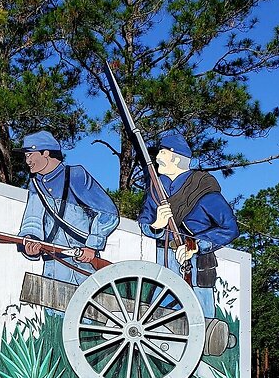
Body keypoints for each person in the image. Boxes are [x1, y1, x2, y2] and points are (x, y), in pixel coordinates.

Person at [137, 132, 239, 320]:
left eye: (163, 153)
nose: (157, 157)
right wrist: (156, 225)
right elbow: (144, 224)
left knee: (202, 322)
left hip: (196, 265)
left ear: (176, 158)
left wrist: (195, 245)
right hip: (163, 265)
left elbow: (229, 228)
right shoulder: (156, 188)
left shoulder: (202, 188)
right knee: (160, 322)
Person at [16, 131, 120, 285]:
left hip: (83, 262)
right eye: (26, 156)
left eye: (30, 154)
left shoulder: (75, 175)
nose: (28, 160)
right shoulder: (36, 185)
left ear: (45, 153)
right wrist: (30, 241)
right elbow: (32, 219)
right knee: (52, 308)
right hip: (53, 264)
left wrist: (92, 246)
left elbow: (108, 213)